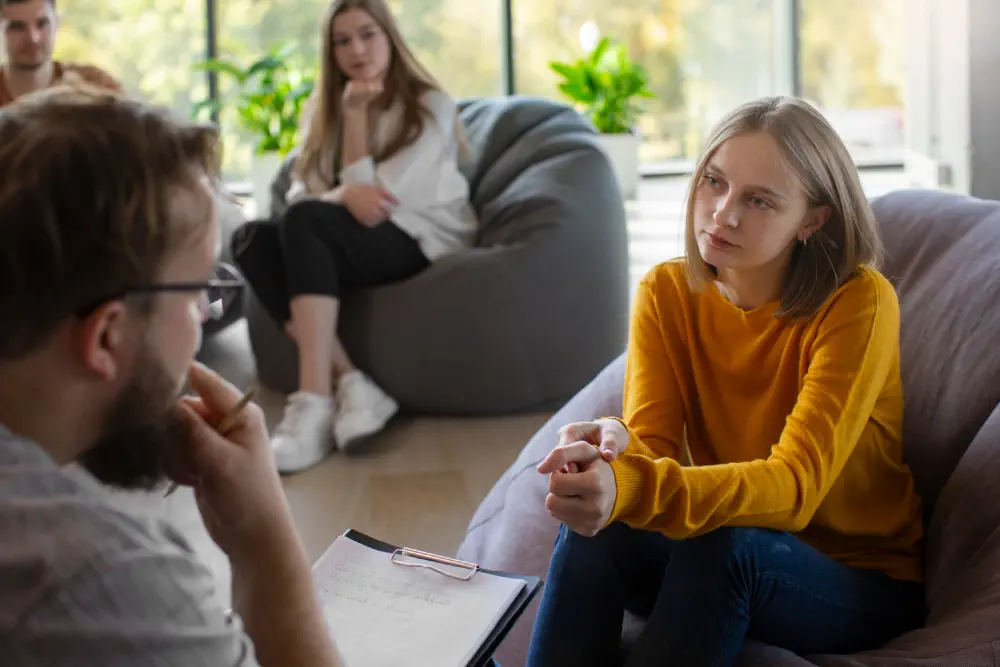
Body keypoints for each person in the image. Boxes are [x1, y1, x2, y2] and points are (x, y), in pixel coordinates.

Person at [526, 96, 926, 666]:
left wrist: (637, 485)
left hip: (857, 577)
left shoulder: (858, 303)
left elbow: (793, 490)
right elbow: (653, 453)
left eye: (759, 200)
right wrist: (614, 452)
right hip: (722, 553)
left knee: (726, 545)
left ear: (813, 220)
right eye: (714, 182)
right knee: (606, 527)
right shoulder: (666, 294)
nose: (722, 214)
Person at [0, 84, 345, 666]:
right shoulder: (97, 574)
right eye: (197, 294)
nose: (203, 320)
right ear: (108, 335)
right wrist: (265, 544)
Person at [231, 0, 477, 473]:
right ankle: (354, 383)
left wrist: (358, 122)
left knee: (304, 221)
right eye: (341, 41)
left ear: (389, 37)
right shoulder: (322, 110)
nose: (356, 50)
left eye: (367, 34)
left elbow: (377, 206)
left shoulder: (429, 104)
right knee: (250, 239)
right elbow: (308, 190)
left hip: (420, 237)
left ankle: (313, 401)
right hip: (347, 235)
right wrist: (343, 188)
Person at [0, 0, 121, 107]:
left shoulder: (97, 86)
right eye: (16, 27)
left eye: (42, 23)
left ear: (57, 24)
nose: (33, 37)